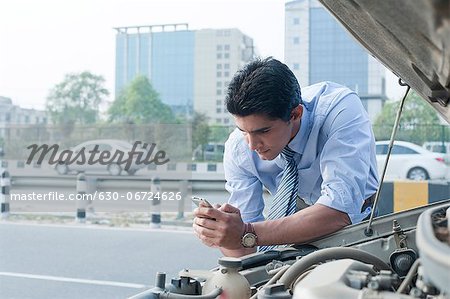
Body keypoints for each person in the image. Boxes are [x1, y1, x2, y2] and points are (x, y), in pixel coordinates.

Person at [193, 57, 379, 257]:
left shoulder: (340, 110)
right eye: (243, 131)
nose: (252, 144)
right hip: (289, 216)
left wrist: (247, 232)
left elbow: (340, 210)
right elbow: (244, 251)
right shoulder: (238, 148)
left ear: (296, 114)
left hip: (357, 217)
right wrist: (223, 233)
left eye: (263, 131)